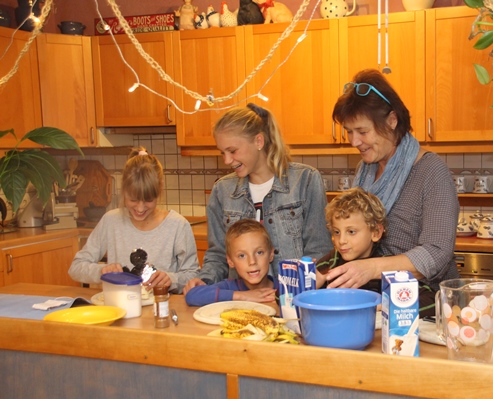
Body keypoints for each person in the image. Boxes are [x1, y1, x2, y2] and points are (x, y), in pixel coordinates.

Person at [325, 69, 460, 316]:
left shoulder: (431, 172)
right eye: (349, 131)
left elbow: (437, 252)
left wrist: (371, 268)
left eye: (363, 132)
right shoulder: (365, 170)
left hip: (426, 308)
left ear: (392, 120)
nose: (354, 142)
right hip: (378, 303)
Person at [183, 103, 332, 294]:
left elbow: (320, 253)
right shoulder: (222, 190)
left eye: (233, 151)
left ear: (259, 141)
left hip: (294, 304)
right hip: (243, 303)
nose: (227, 160)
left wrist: (289, 296)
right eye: (222, 153)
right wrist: (204, 281)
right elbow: (219, 255)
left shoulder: (306, 180)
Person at [68, 147, 200, 294]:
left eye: (148, 200)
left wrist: (171, 279)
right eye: (133, 200)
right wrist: (102, 271)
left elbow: (193, 276)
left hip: (161, 308)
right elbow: (76, 267)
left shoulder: (177, 225)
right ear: (123, 191)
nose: (140, 208)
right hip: (120, 307)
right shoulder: (111, 221)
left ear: (160, 191)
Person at [184, 219, 276, 306]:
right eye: (242, 256)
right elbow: (192, 295)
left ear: (271, 254)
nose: (252, 261)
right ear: (230, 261)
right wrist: (244, 296)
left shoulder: (285, 288)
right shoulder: (228, 286)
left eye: (259, 252)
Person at [316, 187, 386, 292]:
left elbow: (415, 300)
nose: (341, 241)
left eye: (351, 232)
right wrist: (309, 284)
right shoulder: (331, 260)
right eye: (337, 232)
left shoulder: (386, 267)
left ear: (376, 232)